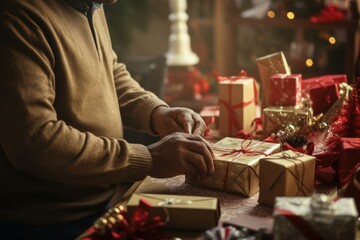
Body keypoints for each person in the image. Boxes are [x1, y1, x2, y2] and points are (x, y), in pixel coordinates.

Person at [0, 0, 215, 239]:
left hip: (101, 205)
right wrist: (150, 158)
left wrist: (156, 113)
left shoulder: (91, 4)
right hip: (47, 224)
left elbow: (110, 72)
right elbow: (36, 142)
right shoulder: (18, 14)